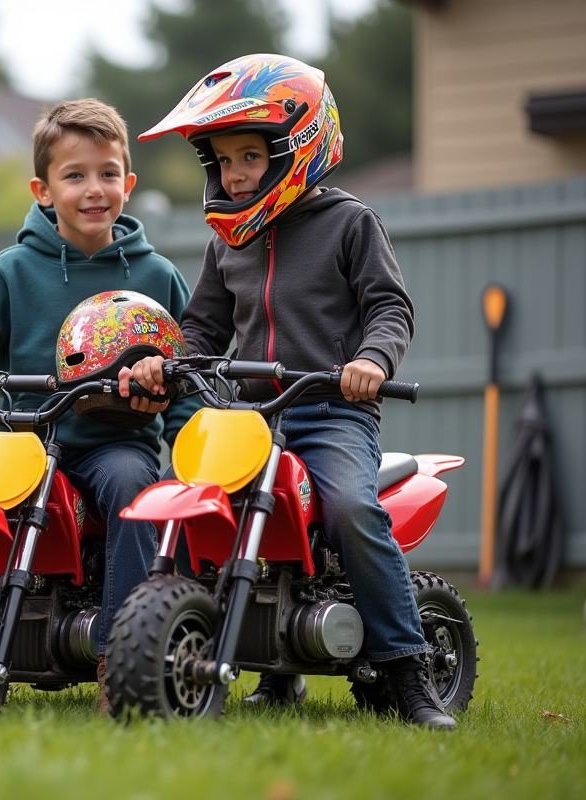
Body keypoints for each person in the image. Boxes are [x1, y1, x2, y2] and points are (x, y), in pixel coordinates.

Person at [120, 54, 457, 730]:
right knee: (184, 504)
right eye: (222, 160)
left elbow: (391, 307)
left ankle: (409, 672)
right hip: (247, 417)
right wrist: (164, 363)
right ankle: (213, 655)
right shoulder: (229, 241)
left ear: (298, 148)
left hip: (332, 412)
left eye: (250, 154)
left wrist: (372, 360)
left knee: (352, 511)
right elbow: (205, 328)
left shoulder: (350, 223)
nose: (236, 172)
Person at [0, 98, 196, 714]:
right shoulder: (13, 270)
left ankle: (126, 649)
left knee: (133, 490)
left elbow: (184, 374)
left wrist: (189, 440)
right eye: (75, 175)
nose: (95, 190)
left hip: (113, 443)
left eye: (108, 173)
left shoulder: (157, 275)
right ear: (43, 189)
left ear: (129, 183)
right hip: (26, 436)